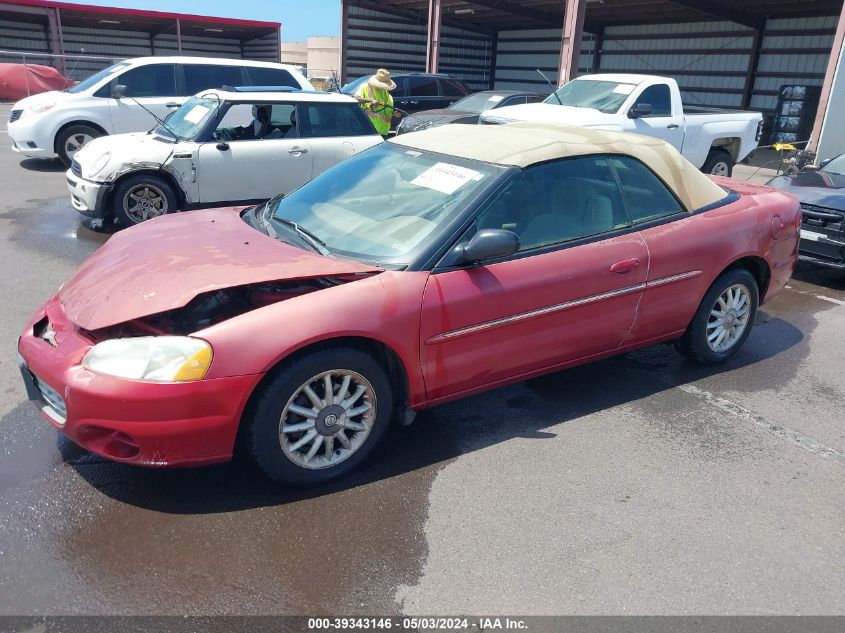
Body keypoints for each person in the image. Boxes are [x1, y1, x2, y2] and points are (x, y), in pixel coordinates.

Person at [355, 68, 399, 137]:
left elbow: (385, 111)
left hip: (383, 132)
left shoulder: (387, 95)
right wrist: (370, 100)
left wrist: (394, 113)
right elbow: (356, 98)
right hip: (369, 130)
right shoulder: (365, 87)